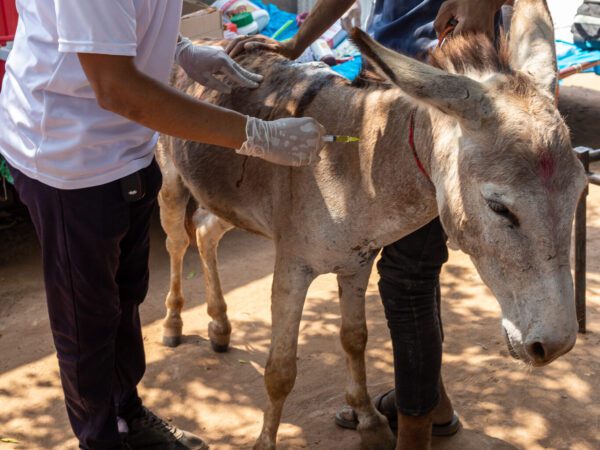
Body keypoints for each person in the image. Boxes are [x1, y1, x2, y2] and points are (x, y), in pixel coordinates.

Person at [0, 1, 326, 449]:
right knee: (87, 319)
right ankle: (100, 438)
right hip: (69, 155)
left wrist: (180, 49)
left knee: (125, 295)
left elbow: (129, 22)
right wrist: (254, 134)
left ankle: (126, 414)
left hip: (126, 145)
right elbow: (117, 89)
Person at [227, 0, 507, 448]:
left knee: (408, 277)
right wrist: (295, 42)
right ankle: (432, 403)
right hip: (377, 86)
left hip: (438, 99)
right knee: (374, 254)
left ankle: (414, 433)